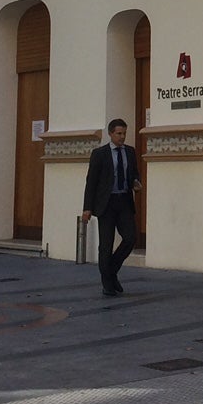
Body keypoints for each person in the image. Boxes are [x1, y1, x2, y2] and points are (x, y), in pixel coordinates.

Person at [81, 118, 138, 297]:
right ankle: (107, 283)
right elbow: (91, 182)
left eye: (124, 134)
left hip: (124, 201)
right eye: (119, 134)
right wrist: (87, 208)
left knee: (130, 238)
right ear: (111, 134)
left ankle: (111, 270)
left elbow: (133, 174)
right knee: (105, 245)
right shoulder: (100, 154)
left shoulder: (130, 152)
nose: (122, 137)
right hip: (106, 204)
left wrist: (136, 182)